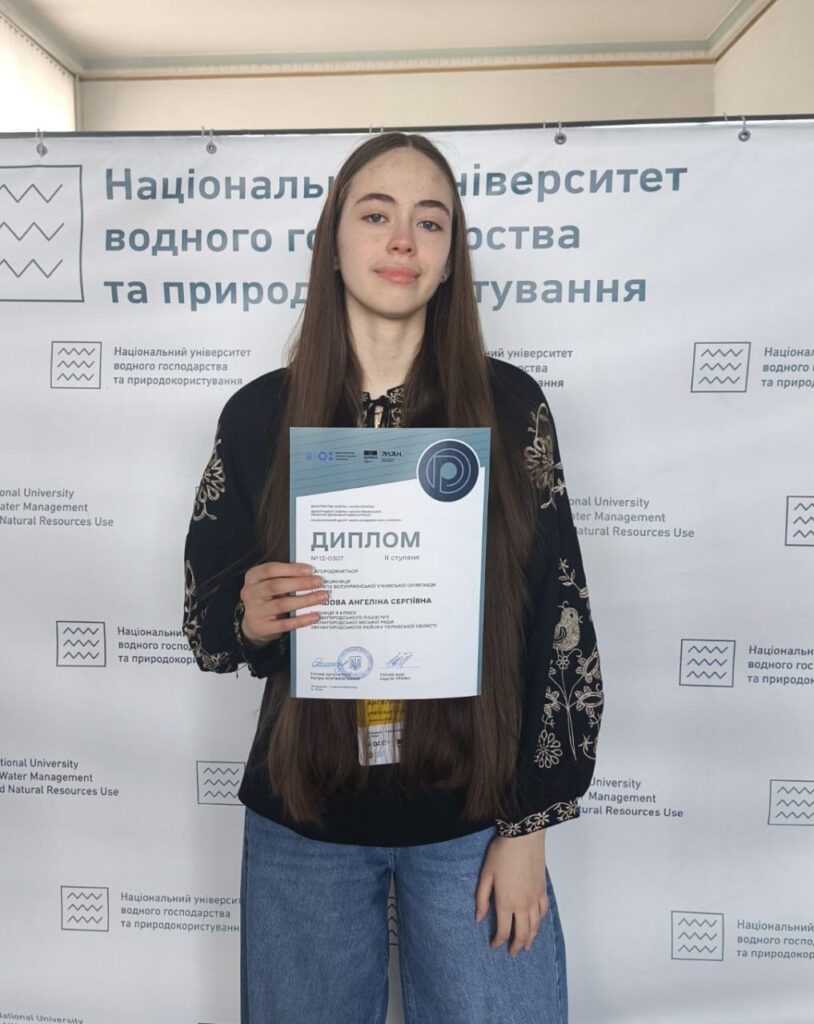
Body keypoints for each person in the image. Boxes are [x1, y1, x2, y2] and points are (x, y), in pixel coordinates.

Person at [182, 131, 604, 1024]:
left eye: (430, 221)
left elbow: (557, 620)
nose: (403, 239)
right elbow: (206, 620)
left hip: (473, 819)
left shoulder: (510, 409)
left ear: (451, 259)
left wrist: (527, 828)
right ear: (332, 243)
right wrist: (247, 616)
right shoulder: (259, 415)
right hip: (304, 823)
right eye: (376, 215)